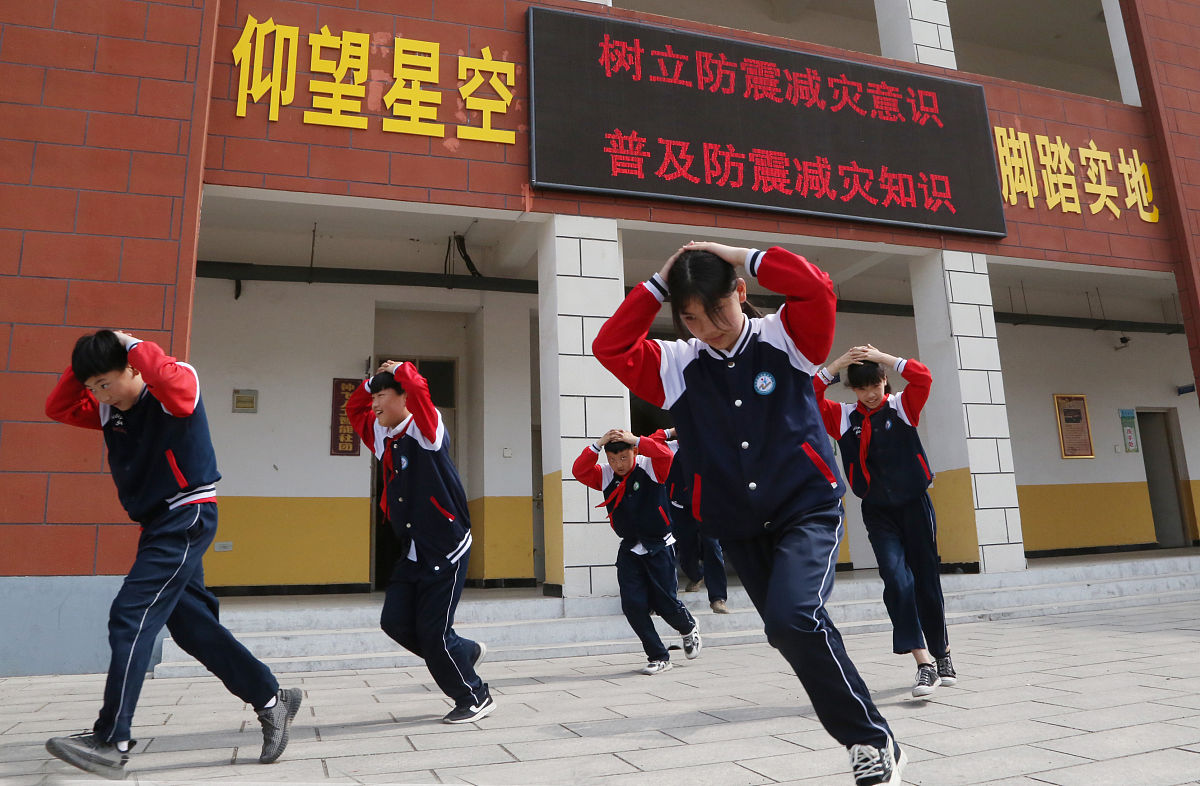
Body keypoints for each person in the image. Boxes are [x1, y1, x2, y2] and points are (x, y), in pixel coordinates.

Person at [593, 242, 904, 786]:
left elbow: (816, 287)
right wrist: (658, 284)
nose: (707, 328)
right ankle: (872, 736)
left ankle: (868, 740)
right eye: (690, 317)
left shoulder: (786, 338)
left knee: (791, 618)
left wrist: (741, 255)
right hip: (737, 523)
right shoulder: (678, 364)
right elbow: (610, 346)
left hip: (805, 508)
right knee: (793, 629)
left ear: (739, 294)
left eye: (716, 311)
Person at [43, 330, 301, 780]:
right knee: (192, 628)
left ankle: (112, 739)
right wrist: (85, 364)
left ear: (132, 368)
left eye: (106, 382)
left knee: (131, 613)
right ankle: (273, 699)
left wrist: (128, 341)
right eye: (92, 387)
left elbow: (170, 380)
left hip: (188, 515)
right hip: (158, 526)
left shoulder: (172, 391)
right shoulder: (107, 410)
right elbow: (58, 407)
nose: (100, 394)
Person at [344, 360, 494, 724]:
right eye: (375, 396)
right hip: (413, 551)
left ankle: (474, 696)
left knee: (433, 632)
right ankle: (464, 651)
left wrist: (403, 368)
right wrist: (369, 385)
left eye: (382, 395)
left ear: (403, 397)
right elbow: (353, 408)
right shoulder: (385, 437)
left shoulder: (427, 429)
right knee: (395, 622)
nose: (375, 403)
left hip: (446, 546)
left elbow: (422, 393)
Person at [814, 344, 956, 698]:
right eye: (862, 388)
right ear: (853, 390)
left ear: (884, 381)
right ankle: (923, 663)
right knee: (895, 578)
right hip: (878, 512)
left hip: (915, 506)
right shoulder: (845, 418)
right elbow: (808, 395)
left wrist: (883, 357)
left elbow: (923, 377)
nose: (870, 394)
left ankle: (943, 654)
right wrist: (837, 365)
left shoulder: (901, 407)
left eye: (875, 385)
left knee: (926, 581)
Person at [571, 428, 702, 674]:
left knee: (665, 604)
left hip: (659, 545)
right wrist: (597, 445)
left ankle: (688, 627)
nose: (618, 464)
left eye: (624, 457)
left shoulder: (651, 466)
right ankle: (658, 656)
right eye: (612, 459)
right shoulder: (606, 474)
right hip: (630, 548)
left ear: (634, 451)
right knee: (632, 605)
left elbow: (664, 454)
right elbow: (579, 471)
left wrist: (638, 440)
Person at [659, 427, 730, 613]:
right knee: (686, 547)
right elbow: (646, 443)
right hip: (679, 508)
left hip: (706, 507)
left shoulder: (710, 447)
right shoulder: (669, 448)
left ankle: (718, 598)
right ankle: (695, 575)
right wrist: (668, 432)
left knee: (712, 546)